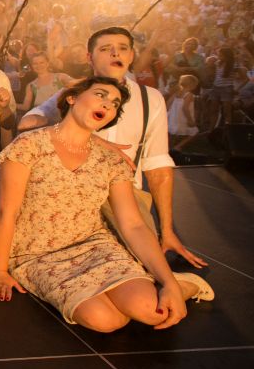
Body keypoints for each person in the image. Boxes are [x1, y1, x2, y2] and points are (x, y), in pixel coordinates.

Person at [0, 77, 214, 332]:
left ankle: (186, 284)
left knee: (152, 312)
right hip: (37, 254)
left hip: (95, 247)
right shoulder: (29, 145)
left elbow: (133, 225)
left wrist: (169, 284)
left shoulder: (111, 160)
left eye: (115, 103)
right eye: (100, 95)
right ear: (72, 98)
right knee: (106, 321)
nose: (108, 104)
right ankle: (136, 292)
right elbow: (7, 211)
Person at [19, 27, 207, 268]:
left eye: (122, 48)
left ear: (131, 56)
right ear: (90, 57)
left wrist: (167, 231)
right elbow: (27, 126)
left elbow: (158, 166)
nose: (115, 53)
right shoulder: (75, 93)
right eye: (105, 49)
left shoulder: (151, 99)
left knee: (140, 268)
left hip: (126, 196)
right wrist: (94, 139)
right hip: (71, 191)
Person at [167, 74, 200, 151]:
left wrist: (169, 114)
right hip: (183, 117)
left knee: (173, 133)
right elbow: (185, 108)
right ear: (192, 85)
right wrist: (190, 120)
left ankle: (169, 147)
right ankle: (178, 146)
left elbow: (168, 104)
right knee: (194, 132)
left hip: (174, 117)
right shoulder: (189, 95)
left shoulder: (176, 94)